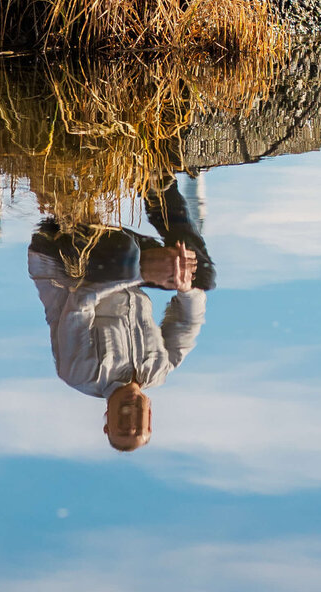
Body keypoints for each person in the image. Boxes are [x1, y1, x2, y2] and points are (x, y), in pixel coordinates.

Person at [27, 177, 215, 451]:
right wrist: (184, 286)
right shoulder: (160, 369)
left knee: (126, 259)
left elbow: (79, 305)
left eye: (122, 426)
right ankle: (158, 177)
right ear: (150, 417)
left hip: (59, 255)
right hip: (123, 262)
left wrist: (141, 273)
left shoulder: (80, 374)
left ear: (106, 421)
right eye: (139, 426)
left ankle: (70, 194)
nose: (131, 417)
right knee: (202, 275)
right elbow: (189, 321)